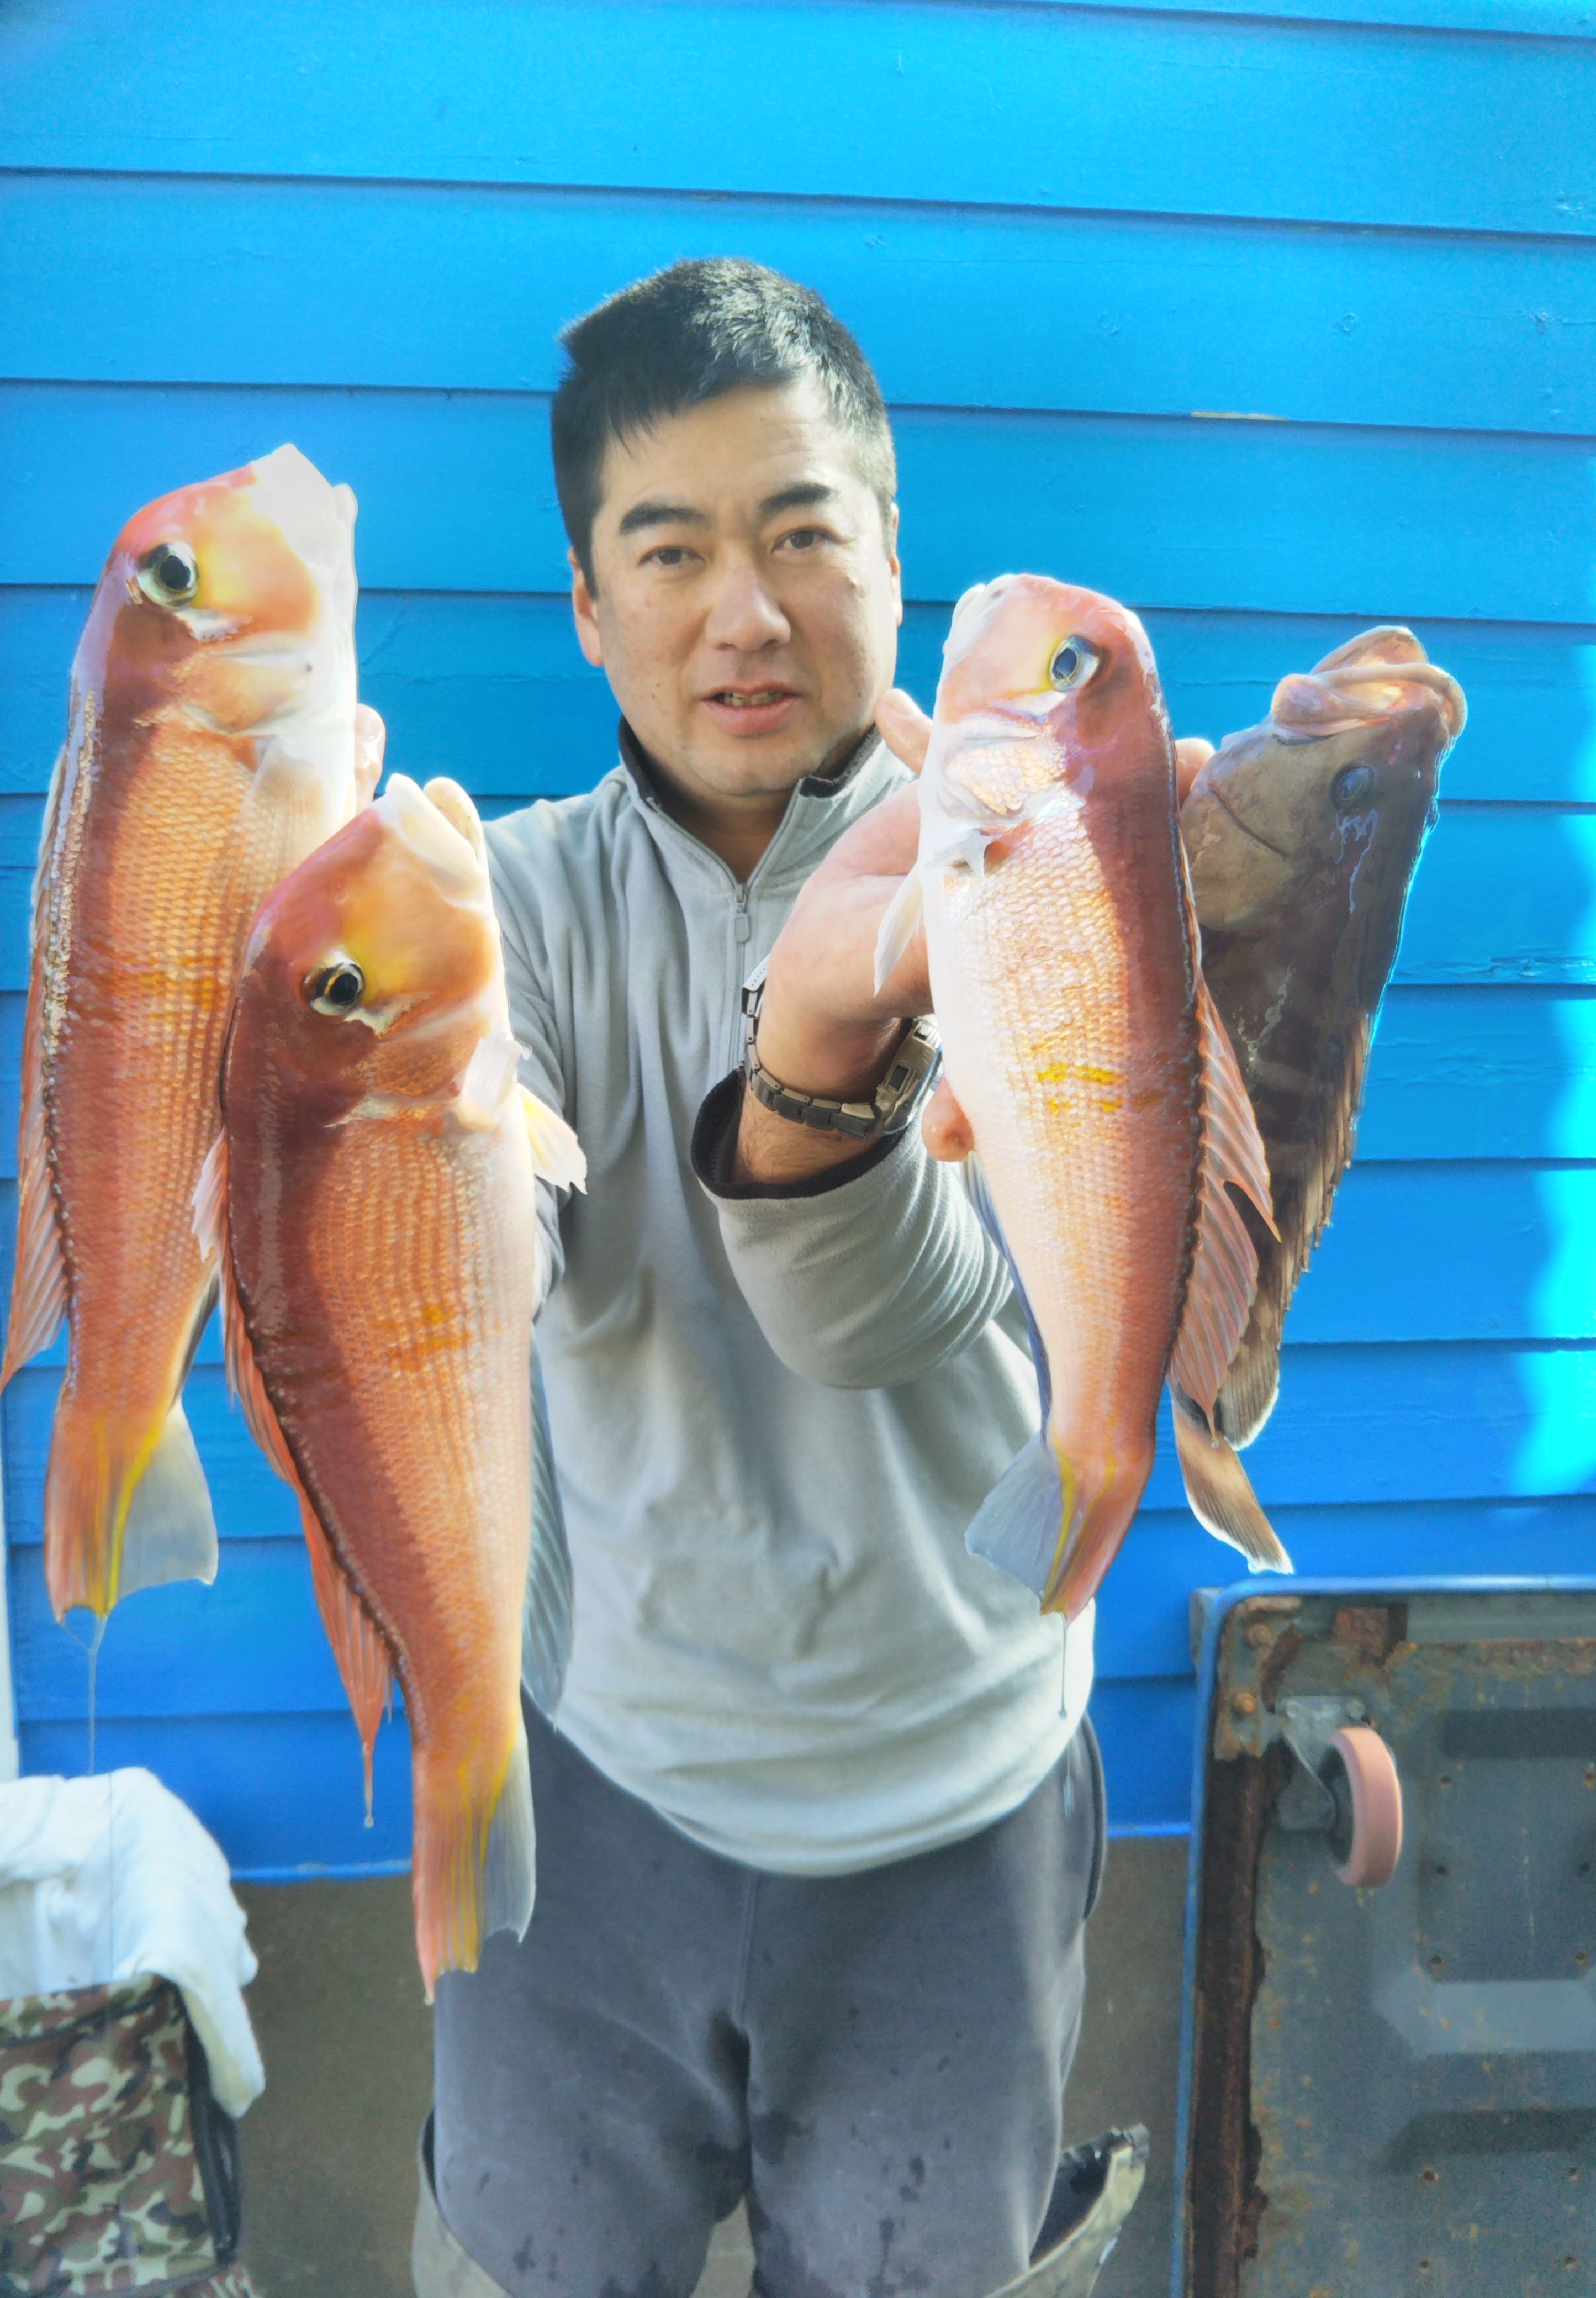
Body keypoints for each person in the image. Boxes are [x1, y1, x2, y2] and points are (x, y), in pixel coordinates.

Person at [414, 259, 1106, 2298]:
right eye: (673, 548)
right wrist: (347, 1090)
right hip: (590, 1778)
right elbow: (478, 1284)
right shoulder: (499, 904)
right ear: (587, 607)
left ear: (895, 556)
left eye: (805, 533)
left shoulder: (1033, 888)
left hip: (956, 1798)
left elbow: (882, 1313)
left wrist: (819, 1065)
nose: (745, 612)